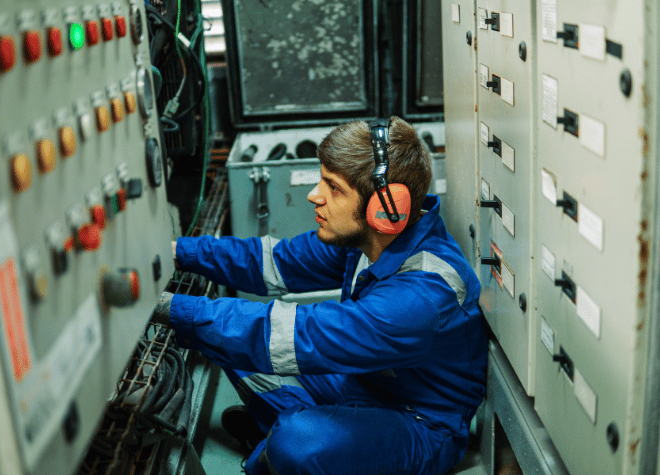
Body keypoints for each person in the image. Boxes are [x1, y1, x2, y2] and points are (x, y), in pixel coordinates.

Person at [153, 116, 487, 475]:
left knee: (294, 438)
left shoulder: (422, 295)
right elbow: (272, 263)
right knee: (229, 340)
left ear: (385, 207)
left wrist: (168, 308)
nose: (315, 195)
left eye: (333, 187)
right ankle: (296, 439)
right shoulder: (368, 240)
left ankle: (278, 445)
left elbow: (302, 337)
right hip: (362, 380)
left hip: (420, 422)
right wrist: (176, 251)